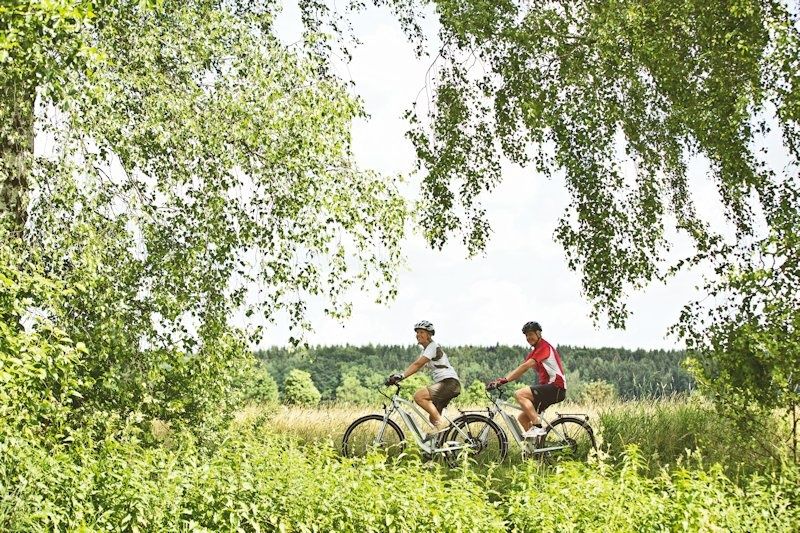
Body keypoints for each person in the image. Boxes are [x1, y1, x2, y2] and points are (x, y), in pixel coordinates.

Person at [486, 321, 566, 438]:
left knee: (520, 394)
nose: (528, 338)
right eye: (526, 335)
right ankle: (537, 448)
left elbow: (524, 367)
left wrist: (504, 380)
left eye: (530, 334)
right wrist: (500, 380)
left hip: (556, 387)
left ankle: (538, 427)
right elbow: (520, 370)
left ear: (538, 333)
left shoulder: (544, 347)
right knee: (522, 418)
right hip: (549, 389)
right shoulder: (535, 352)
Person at [386, 320, 462, 435]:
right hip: (448, 384)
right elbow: (417, 368)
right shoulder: (426, 350)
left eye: (422, 332)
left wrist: (401, 376)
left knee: (419, 396)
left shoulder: (432, 347)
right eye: (417, 332)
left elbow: (417, 365)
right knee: (433, 419)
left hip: (449, 383)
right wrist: (400, 376)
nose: (418, 335)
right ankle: (440, 446)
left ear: (429, 334)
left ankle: (442, 424)